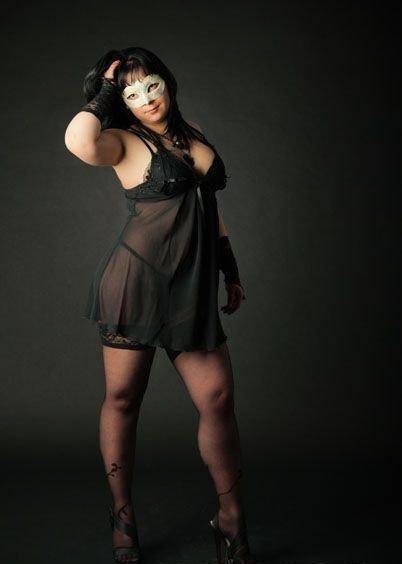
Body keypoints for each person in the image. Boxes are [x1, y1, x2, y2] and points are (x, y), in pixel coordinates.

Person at [64, 46, 257, 564]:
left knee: (218, 400)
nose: (146, 98)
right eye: (131, 93)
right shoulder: (123, 141)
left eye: (151, 84)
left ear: (167, 82)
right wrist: (106, 93)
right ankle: (123, 515)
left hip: (191, 288)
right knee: (123, 399)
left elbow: (208, 204)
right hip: (137, 284)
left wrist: (230, 268)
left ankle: (231, 517)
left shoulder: (192, 131)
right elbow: (77, 140)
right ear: (119, 101)